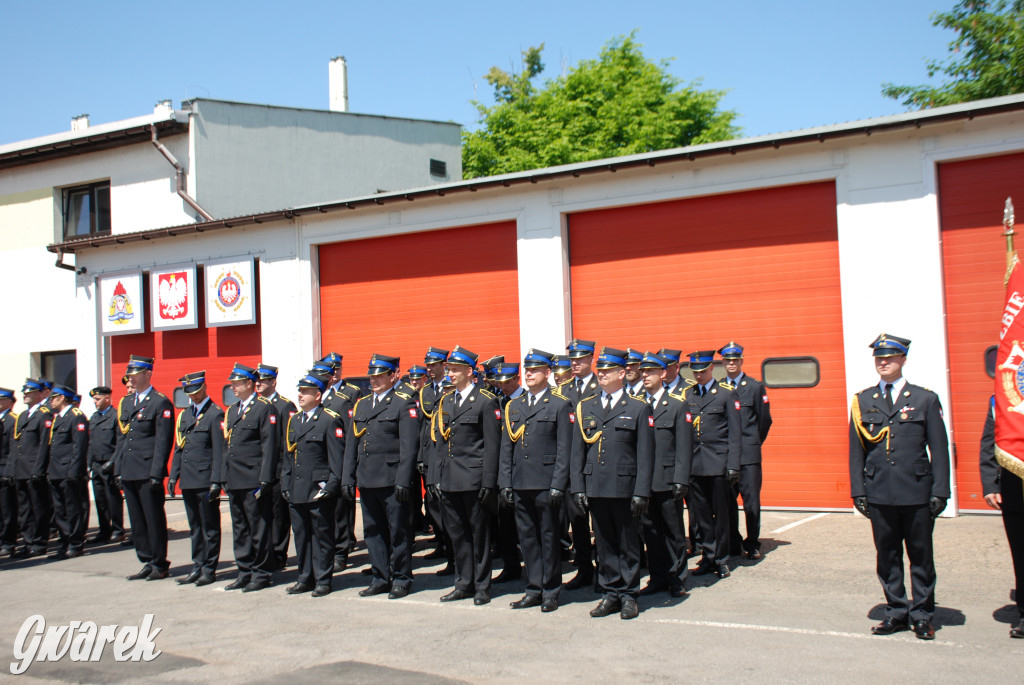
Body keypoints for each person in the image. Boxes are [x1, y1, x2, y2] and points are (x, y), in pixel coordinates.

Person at [849, 333, 949, 640]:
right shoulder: (863, 400)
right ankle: (895, 611)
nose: (883, 362)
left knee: (920, 555)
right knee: (887, 555)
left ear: (903, 360)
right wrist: (858, 491)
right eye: (879, 358)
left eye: (890, 357)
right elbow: (856, 451)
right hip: (879, 491)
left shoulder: (924, 399)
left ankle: (921, 614)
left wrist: (940, 491)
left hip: (916, 490)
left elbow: (939, 449)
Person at [570, 347, 654, 620]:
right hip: (596, 485)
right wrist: (579, 487)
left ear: (622, 373)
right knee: (604, 543)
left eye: (608, 371)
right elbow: (577, 451)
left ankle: (629, 595)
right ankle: (609, 593)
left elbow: (645, 454)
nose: (602, 374)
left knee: (628, 543)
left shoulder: (639, 408)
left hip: (625, 487)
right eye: (600, 370)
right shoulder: (587, 406)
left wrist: (642, 491)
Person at [498, 349, 571, 612]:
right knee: (527, 538)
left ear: (548, 373)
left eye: (535, 369)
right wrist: (505, 482)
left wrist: (558, 484)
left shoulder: (560, 404)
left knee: (549, 538)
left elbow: (565, 449)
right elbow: (507, 447)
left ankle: (551, 590)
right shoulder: (514, 406)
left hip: (546, 482)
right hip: (520, 482)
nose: (529, 373)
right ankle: (533, 587)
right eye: (527, 370)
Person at [343, 354, 419, 599]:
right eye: (372, 376)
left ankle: (401, 578)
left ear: (392, 376)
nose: (374, 380)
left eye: (379, 376)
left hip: (391, 478)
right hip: (367, 478)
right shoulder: (362, 404)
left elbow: (409, 447)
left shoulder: (402, 403)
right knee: (373, 531)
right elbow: (352, 444)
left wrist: (403, 479)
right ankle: (380, 577)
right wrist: (348, 477)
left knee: (398, 532)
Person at [431, 345, 502, 605]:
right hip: (450, 479)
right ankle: (463, 582)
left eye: (455, 370)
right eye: (449, 369)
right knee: (458, 535)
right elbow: (441, 443)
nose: (450, 374)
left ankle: (482, 585)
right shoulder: (447, 401)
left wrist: (489, 481)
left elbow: (492, 445)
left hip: (474, 479)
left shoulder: (485, 401)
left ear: (469, 372)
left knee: (479, 535)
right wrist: (436, 477)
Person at [679, 351, 741, 579]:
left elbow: (735, 434)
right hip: (695, 465)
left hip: (718, 463)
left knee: (721, 515)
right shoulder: (688, 395)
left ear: (711, 369)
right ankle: (708, 555)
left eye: (703, 371)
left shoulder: (726, 394)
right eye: (695, 372)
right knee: (701, 515)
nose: (699, 376)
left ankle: (722, 559)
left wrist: (733, 465)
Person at [218, 363, 280, 592]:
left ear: (249, 384)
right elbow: (228, 446)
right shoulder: (233, 409)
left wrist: (265, 478)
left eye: (237, 383)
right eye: (232, 383)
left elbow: (269, 445)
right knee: (240, 528)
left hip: (254, 478)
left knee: (259, 528)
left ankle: (261, 573)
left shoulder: (264, 408)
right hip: (235, 478)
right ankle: (244, 571)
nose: (233, 387)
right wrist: (224, 475)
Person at [282, 372, 344, 597]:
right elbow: (288, 455)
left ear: (318, 395)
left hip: (318, 489)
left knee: (322, 537)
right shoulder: (295, 420)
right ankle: (304, 577)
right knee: (302, 536)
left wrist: (331, 486)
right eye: (300, 391)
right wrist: (285, 482)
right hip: (298, 488)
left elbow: (336, 457)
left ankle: (323, 579)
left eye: (305, 392)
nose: (300, 395)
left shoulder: (329, 419)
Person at [115, 356, 174, 580]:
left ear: (148, 374)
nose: (131, 377)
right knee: (137, 520)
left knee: (153, 519)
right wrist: (118, 469)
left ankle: (160, 563)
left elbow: (163, 441)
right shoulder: (128, 402)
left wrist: (157, 472)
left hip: (148, 470)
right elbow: (123, 438)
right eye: (129, 374)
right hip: (130, 469)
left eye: (135, 373)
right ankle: (146, 560)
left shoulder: (160, 402)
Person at [637, 352, 692, 597]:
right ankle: (657, 577)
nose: (645, 376)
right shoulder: (637, 404)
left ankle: (677, 578)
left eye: (650, 372)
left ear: (663, 374)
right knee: (651, 533)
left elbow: (684, 447)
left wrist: (681, 479)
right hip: (645, 482)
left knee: (673, 532)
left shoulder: (678, 405)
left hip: (668, 480)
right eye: (643, 372)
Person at [168, 371, 224, 586]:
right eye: (189, 393)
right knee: (195, 527)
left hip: (205, 479)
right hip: (189, 479)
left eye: (196, 392)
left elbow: (219, 451)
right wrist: (174, 476)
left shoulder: (215, 414)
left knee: (209, 527)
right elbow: (179, 448)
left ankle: (209, 568)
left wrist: (216, 481)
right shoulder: (186, 415)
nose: (193, 396)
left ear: (204, 388)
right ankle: (197, 565)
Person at [719, 343, 773, 560]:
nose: (731, 364)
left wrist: (752, 443)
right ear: (722, 362)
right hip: (725, 456)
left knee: (751, 502)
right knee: (727, 502)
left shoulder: (754, 387)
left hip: (749, 456)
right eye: (727, 360)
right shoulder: (720, 388)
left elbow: (765, 420)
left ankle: (752, 543)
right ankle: (733, 542)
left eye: (735, 360)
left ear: (741, 361)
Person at [980, 394, 1024, 638]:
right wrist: (990, 484)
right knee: (1021, 552)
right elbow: (989, 442)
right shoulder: (1002, 400)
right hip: (1014, 486)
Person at [316, 352, 363, 573]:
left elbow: (350, 433)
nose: (332, 375)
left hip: (338, 459)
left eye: (334, 370)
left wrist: (349, 466)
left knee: (341, 509)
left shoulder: (347, 396)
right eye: (326, 371)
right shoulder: (319, 397)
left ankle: (343, 548)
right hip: (319, 462)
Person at [560, 338, 599, 590]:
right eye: (572, 359)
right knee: (578, 523)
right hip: (571, 467)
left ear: (591, 359)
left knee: (602, 525)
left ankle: (606, 572)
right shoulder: (563, 390)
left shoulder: (603, 386)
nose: (575, 363)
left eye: (580, 358)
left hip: (596, 464)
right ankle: (584, 569)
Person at [256, 363, 298, 571]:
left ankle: (279, 554)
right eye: (258, 380)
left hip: (279, 468)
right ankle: (266, 553)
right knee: (263, 515)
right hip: (261, 469)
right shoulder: (255, 406)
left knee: (279, 515)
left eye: (263, 380)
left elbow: (288, 442)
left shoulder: (285, 406)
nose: (259, 384)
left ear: (273, 382)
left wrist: (286, 471)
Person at [419, 347, 455, 574]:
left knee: (449, 508)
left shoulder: (452, 388)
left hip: (449, 455)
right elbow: (424, 428)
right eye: (428, 365)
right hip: (430, 453)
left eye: (434, 365)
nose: (429, 369)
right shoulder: (425, 391)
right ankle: (442, 544)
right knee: (433, 504)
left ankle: (454, 555)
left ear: (444, 365)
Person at [45, 384, 89, 560]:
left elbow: (79, 447)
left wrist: (74, 470)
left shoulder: (76, 417)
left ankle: (75, 544)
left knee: (72, 509)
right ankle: (65, 541)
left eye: (53, 398)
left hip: (69, 471)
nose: (50, 401)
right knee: (60, 510)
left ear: (61, 398)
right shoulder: (58, 418)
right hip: (56, 471)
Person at [490, 361, 523, 584]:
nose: (502, 386)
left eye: (506, 382)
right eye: (499, 383)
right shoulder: (499, 402)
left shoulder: (526, 401)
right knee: (506, 523)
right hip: (502, 470)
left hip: (523, 468)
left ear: (516, 380)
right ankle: (511, 565)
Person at [87, 386, 124, 544]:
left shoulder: (115, 416)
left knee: (112, 498)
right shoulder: (94, 417)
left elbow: (120, 442)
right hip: (96, 464)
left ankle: (118, 530)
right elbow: (91, 443)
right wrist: (88, 463)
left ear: (107, 398)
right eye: (94, 399)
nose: (95, 402)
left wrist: (113, 461)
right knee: (100, 498)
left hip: (109, 464)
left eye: (97, 399)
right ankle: (104, 530)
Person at [0, 387, 19, 555]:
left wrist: (9, 470)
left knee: (7, 509)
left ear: (10, 402)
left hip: (4, 467)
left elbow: (13, 448)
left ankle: (8, 542)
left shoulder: (13, 419)